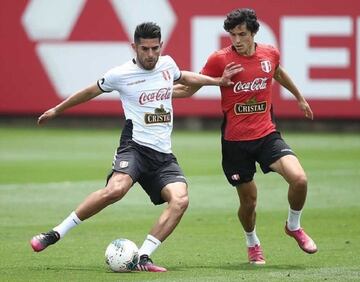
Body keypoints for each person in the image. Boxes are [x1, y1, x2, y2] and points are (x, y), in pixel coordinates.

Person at [30, 22, 241, 272]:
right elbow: (89, 92)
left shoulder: (167, 64)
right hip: (135, 147)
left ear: (161, 46)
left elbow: (185, 76)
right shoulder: (120, 74)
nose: (151, 54)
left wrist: (219, 81)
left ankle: (143, 257)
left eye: (155, 48)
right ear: (134, 47)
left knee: (180, 200)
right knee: (115, 190)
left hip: (163, 155)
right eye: (144, 49)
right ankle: (55, 233)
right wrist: (57, 109)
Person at [173, 8, 317, 265]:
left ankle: (293, 226)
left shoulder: (269, 53)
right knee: (249, 203)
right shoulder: (219, 59)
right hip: (235, 143)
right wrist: (154, 93)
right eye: (232, 35)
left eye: (242, 34)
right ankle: (252, 241)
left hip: (266, 135)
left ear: (253, 33)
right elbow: (189, 88)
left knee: (300, 179)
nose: (237, 40)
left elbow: (278, 72)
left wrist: (300, 98)